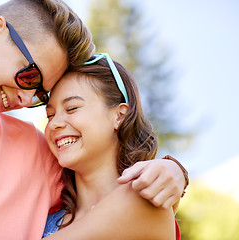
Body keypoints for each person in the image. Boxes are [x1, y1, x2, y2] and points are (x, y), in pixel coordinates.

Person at [0, 0, 187, 239]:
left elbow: (107, 174)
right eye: (30, 76)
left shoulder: (36, 148)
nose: (27, 100)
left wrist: (173, 170)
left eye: (39, 94)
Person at [42, 53, 182, 239]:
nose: (54, 124)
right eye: (50, 115)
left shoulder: (144, 200)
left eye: (72, 108)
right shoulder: (44, 217)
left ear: (119, 116)